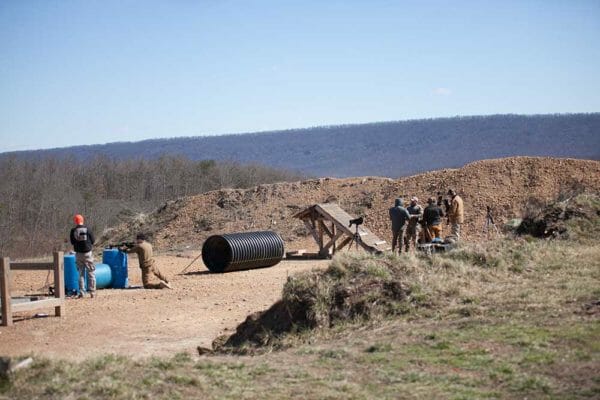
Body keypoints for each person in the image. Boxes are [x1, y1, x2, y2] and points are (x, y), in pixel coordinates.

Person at [69, 214, 96, 298]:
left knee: (80, 273)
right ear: (82, 220)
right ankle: (92, 292)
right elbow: (93, 240)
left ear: (75, 221)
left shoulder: (73, 230)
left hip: (78, 254)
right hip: (88, 254)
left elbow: (72, 242)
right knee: (91, 273)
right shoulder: (88, 229)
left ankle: (82, 292)